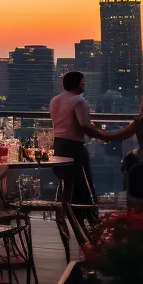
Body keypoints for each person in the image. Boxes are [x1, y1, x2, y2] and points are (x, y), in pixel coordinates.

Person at [49, 71, 107, 207]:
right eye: (83, 82)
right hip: (74, 148)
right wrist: (102, 135)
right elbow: (85, 125)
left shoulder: (55, 100)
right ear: (77, 84)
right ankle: (85, 217)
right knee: (82, 185)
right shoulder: (79, 101)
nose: (84, 84)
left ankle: (64, 213)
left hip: (58, 146)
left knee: (66, 182)